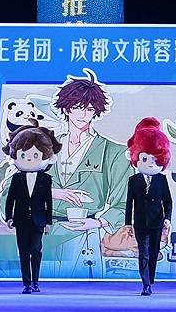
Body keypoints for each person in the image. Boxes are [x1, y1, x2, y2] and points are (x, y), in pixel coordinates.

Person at [47, 70, 132, 274]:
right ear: (66, 108)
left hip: (85, 235)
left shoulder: (113, 152)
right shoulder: (43, 146)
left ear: (96, 112)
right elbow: (13, 189)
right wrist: (52, 193)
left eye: (89, 109)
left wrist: (99, 222)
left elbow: (125, 202)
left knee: (82, 286)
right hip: (44, 232)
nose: (83, 114)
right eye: (77, 107)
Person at [3, 125, 58, 294]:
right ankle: (26, 284)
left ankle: (35, 282)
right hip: (21, 220)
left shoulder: (45, 179)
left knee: (36, 249)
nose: (29, 159)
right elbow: (10, 199)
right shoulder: (16, 178)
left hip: (38, 220)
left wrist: (48, 222)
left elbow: (48, 201)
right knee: (23, 252)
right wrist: (9, 217)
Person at [123, 118, 174, 295]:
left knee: (153, 252)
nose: (150, 163)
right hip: (140, 222)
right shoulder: (134, 180)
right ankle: (146, 284)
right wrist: (127, 223)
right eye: (145, 158)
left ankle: (150, 279)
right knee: (143, 252)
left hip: (157, 222)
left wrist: (168, 219)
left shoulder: (161, 179)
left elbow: (168, 201)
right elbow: (129, 202)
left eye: (155, 159)